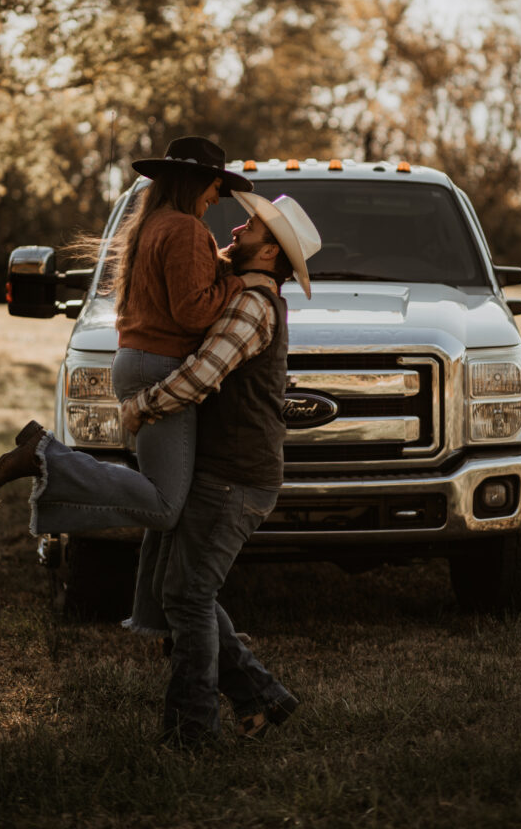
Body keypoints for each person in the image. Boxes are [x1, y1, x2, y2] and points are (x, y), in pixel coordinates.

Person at [0, 137, 272, 562]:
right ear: (194, 181)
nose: (216, 197)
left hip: (136, 361)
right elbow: (192, 312)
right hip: (161, 366)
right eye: (214, 186)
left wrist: (226, 265)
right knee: (166, 504)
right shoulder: (187, 229)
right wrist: (240, 283)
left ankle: (155, 614)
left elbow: (186, 278)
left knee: (162, 497)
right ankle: (47, 456)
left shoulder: (154, 224)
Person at [120, 191, 321, 747]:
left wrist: (141, 405)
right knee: (185, 590)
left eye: (251, 228)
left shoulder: (253, 304)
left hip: (235, 477)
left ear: (270, 253)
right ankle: (259, 696)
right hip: (226, 471)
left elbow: (200, 377)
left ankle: (192, 729)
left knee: (186, 594)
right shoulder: (251, 297)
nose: (237, 230)